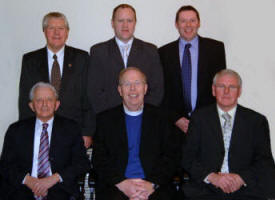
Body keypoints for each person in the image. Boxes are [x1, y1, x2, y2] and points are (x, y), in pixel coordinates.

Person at [182, 69, 275, 200]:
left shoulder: (256, 121)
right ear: (214, 90)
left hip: (245, 190)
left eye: (232, 87)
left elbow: (264, 161)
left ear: (239, 91)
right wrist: (213, 177)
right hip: (206, 189)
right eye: (221, 86)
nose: (226, 92)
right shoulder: (199, 119)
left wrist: (241, 178)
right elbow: (187, 157)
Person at [93, 67, 180, 200]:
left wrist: (151, 185)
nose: (132, 89)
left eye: (137, 83)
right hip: (117, 185)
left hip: (154, 185)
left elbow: (171, 157)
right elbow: (99, 160)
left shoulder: (162, 118)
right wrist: (122, 184)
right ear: (120, 90)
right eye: (127, 84)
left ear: (145, 88)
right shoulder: (105, 120)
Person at [0, 82, 90, 199]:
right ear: (31, 105)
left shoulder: (71, 129)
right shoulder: (16, 130)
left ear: (56, 104)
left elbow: (82, 163)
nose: (44, 104)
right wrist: (28, 180)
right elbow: (5, 165)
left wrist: (53, 179)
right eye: (39, 100)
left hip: (60, 189)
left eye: (49, 100)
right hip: (23, 190)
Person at [18, 12, 94, 148]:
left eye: (61, 28)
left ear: (67, 32)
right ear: (44, 31)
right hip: (40, 130)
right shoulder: (30, 60)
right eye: (51, 28)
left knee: (70, 169)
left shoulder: (81, 58)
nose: (56, 33)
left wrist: (87, 132)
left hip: (74, 130)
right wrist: (25, 132)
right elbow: (25, 100)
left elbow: (88, 97)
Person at [159, 5, 226, 133]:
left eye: (192, 20)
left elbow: (220, 87)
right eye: (183, 21)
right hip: (174, 127)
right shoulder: (163, 53)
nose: (188, 25)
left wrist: (205, 118)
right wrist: (176, 118)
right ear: (176, 24)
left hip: (207, 124)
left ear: (199, 23)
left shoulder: (215, 49)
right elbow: (162, 91)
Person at [88, 4, 164, 114]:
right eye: (120, 21)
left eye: (129, 20)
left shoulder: (150, 51)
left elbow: (157, 90)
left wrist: (142, 112)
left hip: (144, 116)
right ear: (112, 23)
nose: (125, 25)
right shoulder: (98, 52)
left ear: (135, 23)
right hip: (109, 117)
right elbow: (94, 91)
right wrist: (111, 115)